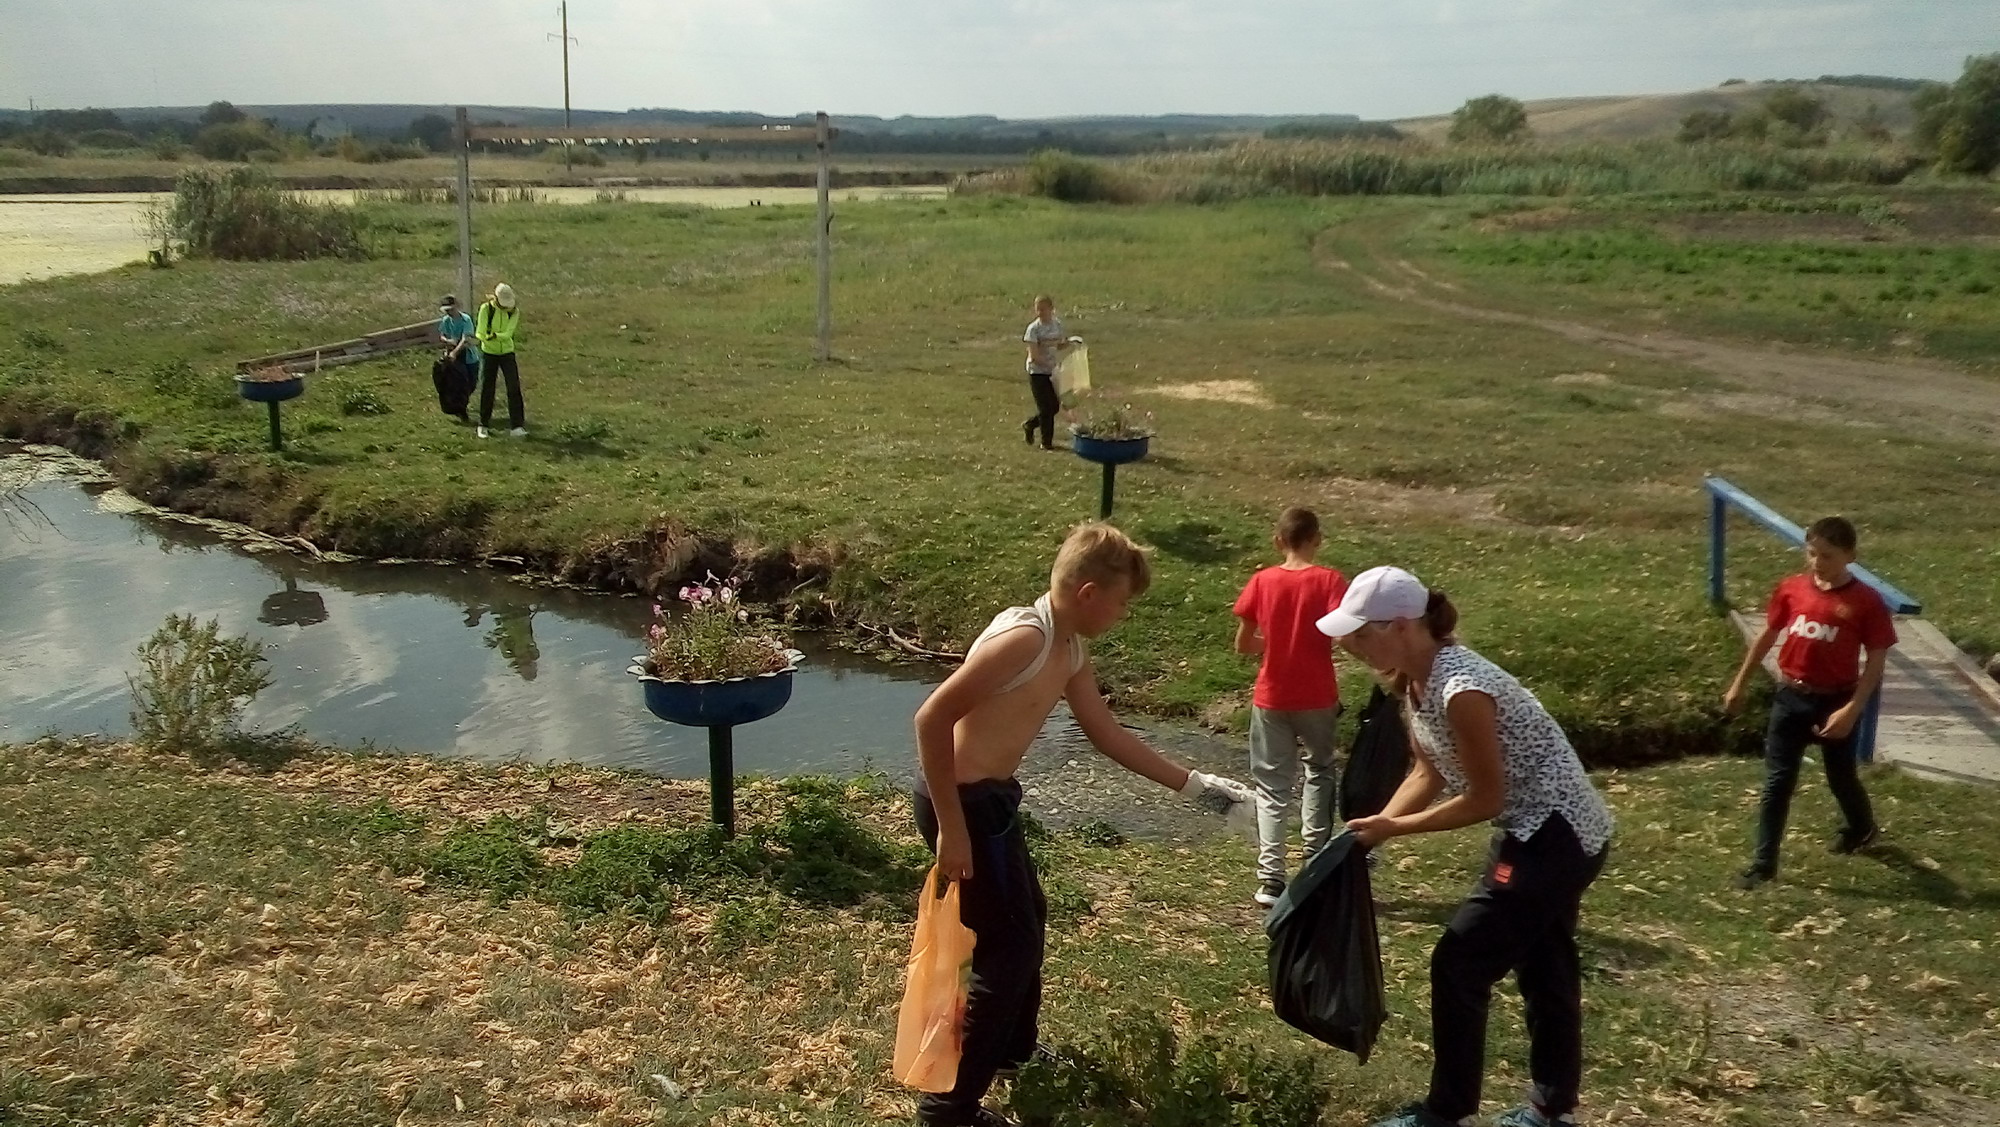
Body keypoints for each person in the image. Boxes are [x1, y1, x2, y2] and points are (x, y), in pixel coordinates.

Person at [912, 521, 1254, 1127]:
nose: (1124, 616)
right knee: (1007, 953)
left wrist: (1200, 788)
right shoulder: (1026, 639)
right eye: (1123, 603)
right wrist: (951, 827)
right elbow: (931, 719)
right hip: (961, 805)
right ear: (1090, 592)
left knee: (1026, 923)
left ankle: (1015, 1051)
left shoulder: (1069, 649)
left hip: (991, 801)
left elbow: (1106, 734)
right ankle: (949, 1109)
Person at [1320, 566, 1614, 1127]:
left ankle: (1444, 1111)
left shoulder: (1462, 690)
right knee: (1545, 961)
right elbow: (1427, 771)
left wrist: (1394, 832)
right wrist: (1376, 823)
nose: (1350, 646)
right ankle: (1552, 1109)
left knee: (1459, 962)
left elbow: (1483, 797)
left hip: (1558, 834)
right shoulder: (1412, 681)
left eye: (1361, 633)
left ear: (1402, 626)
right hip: (1534, 830)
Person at [1722, 515, 1893, 890]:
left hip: (1836, 699)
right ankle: (1764, 864)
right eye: (1812, 553)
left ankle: (1861, 828)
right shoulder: (1792, 589)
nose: (1817, 563)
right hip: (1791, 696)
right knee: (1778, 781)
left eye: (1828, 556)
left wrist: (1853, 709)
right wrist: (1740, 684)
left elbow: (1877, 657)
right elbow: (1768, 635)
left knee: (1840, 774)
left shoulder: (1866, 601)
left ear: (1850, 556)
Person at [1232, 506, 1349, 907]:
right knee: (1319, 770)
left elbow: (1243, 643)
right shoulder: (1330, 580)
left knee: (1272, 786)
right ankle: (1315, 863)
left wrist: (1276, 644)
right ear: (1317, 539)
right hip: (1318, 695)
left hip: (1272, 695)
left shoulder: (1262, 581)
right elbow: (1342, 632)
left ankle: (1270, 879)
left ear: (1278, 541)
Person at [1019, 295, 1073, 450]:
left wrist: (1068, 344)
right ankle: (1046, 442)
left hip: (1052, 372)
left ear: (1051, 309)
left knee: (1054, 406)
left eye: (1044, 309)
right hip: (1037, 372)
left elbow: (1058, 346)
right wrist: (1050, 366)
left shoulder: (1057, 325)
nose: (1041, 312)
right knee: (1045, 408)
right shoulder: (1033, 329)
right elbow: (1034, 356)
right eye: (1038, 309)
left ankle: (1030, 425)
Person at [474, 282, 526, 439]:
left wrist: (496, 336)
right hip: (488, 353)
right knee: (487, 387)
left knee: (513, 387)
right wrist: (489, 339)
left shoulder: (514, 311)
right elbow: (480, 332)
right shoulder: (486, 309)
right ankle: (483, 424)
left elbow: (509, 332)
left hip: (507, 353)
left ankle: (517, 426)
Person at [435, 295, 479, 422]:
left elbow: (466, 339)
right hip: (454, 357)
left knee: (471, 384)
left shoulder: (466, 320)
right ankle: (460, 409)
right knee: (458, 385)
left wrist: (455, 351)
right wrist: (449, 342)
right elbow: (442, 335)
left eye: (450, 310)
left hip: (468, 357)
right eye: (446, 310)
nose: (449, 312)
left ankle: (461, 404)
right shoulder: (446, 321)